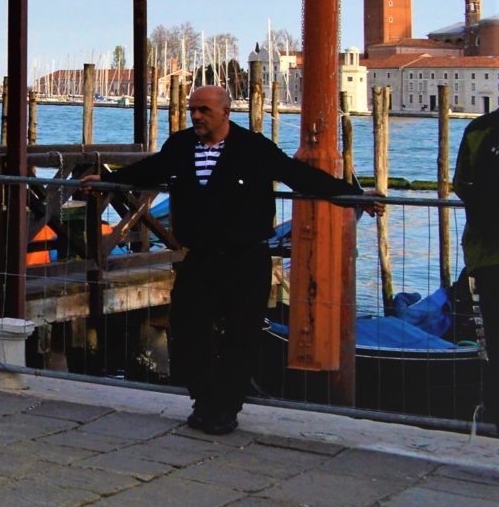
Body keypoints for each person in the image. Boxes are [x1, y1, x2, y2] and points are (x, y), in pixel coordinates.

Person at [90, 84, 369, 436]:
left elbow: (300, 176)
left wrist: (353, 196)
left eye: (204, 110)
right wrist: (107, 181)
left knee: (240, 334)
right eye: (193, 109)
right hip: (200, 257)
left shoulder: (252, 148)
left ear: (225, 111)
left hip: (245, 257)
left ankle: (227, 407)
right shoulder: (180, 146)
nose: (196, 116)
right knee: (188, 329)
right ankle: (203, 398)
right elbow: (149, 170)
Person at [452, 106, 499, 431]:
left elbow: (460, 184)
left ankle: (495, 423)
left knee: (495, 348)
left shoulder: (479, 129)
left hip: (487, 256)